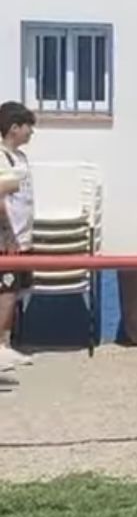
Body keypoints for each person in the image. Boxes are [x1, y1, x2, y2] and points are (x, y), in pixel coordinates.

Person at [0, 102, 36, 372]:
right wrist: (7, 234)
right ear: (14, 128)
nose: (31, 132)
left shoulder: (20, 158)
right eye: (28, 127)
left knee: (16, 293)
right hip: (7, 239)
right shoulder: (2, 157)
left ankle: (6, 343)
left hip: (24, 237)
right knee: (6, 292)